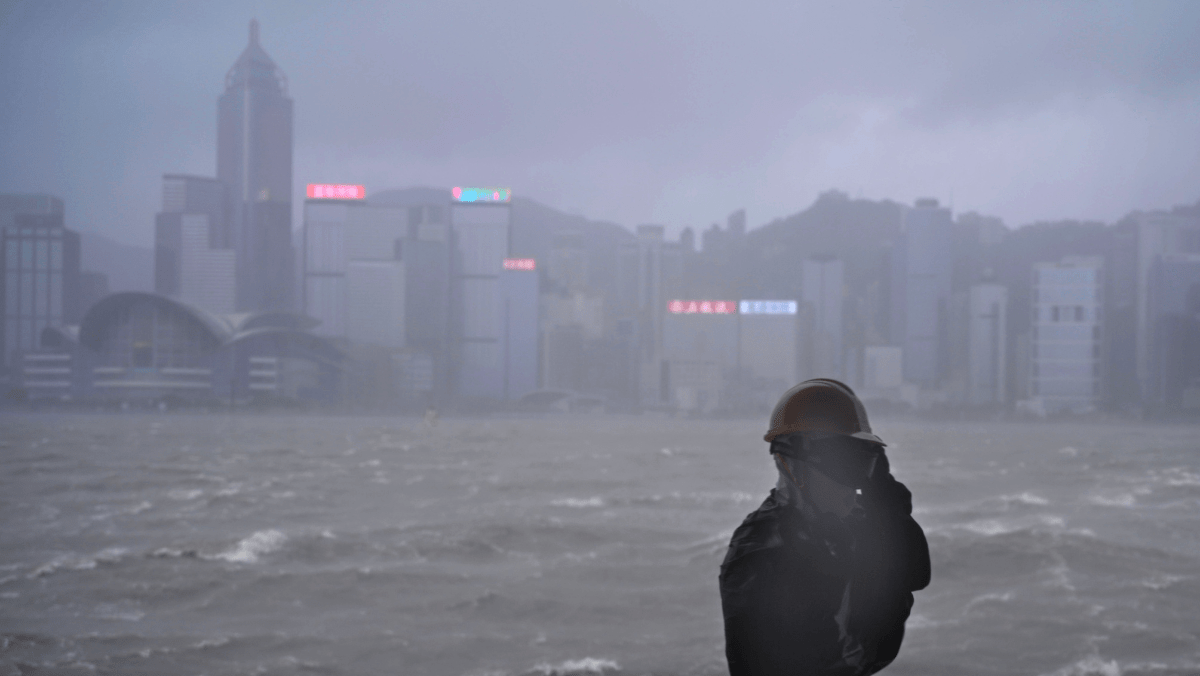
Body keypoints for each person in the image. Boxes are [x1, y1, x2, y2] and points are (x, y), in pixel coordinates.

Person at [719, 379, 930, 676]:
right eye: (839, 464)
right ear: (790, 465)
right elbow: (843, 659)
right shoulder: (764, 552)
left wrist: (886, 504)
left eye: (861, 464)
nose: (853, 483)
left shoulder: (840, 523)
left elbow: (917, 574)